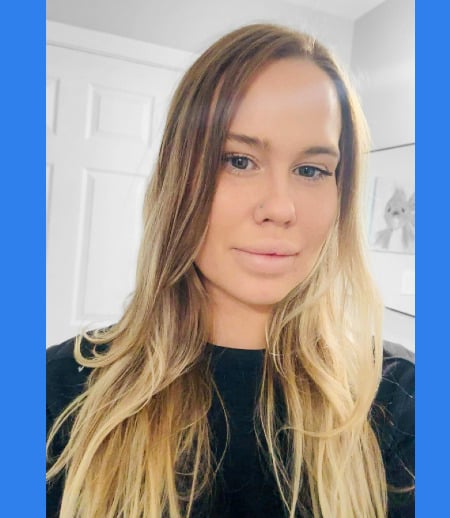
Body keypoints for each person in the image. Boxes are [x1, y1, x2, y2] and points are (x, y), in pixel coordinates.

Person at [46, 23, 414, 518]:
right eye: (238, 160)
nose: (280, 208)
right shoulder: (55, 394)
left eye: (311, 170)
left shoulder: (399, 398)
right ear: (180, 177)